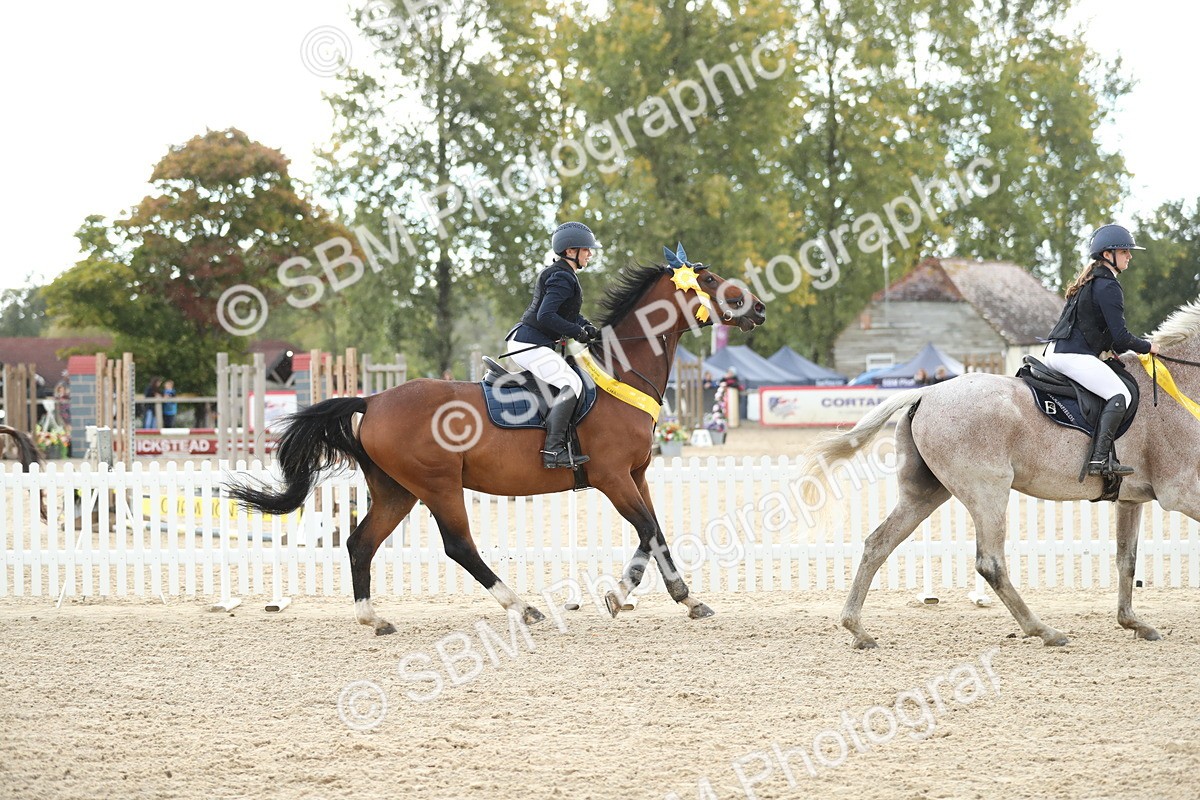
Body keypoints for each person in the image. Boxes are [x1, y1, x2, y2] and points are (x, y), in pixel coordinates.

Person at [1043, 223, 1159, 477]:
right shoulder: (1108, 286)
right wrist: (1149, 346)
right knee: (1120, 394)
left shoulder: (1092, 281)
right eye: (1124, 251)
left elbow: (1109, 337)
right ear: (1108, 255)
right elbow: (1121, 337)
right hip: (1072, 355)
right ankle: (1099, 459)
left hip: (1055, 352)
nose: (1130, 256)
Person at [505, 221, 602, 469]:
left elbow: (566, 313)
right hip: (529, 344)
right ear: (570, 251)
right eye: (586, 249)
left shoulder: (563, 273)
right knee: (572, 383)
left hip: (530, 342)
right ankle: (553, 450)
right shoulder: (562, 276)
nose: (590, 254)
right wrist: (577, 332)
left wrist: (586, 326)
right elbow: (546, 315)